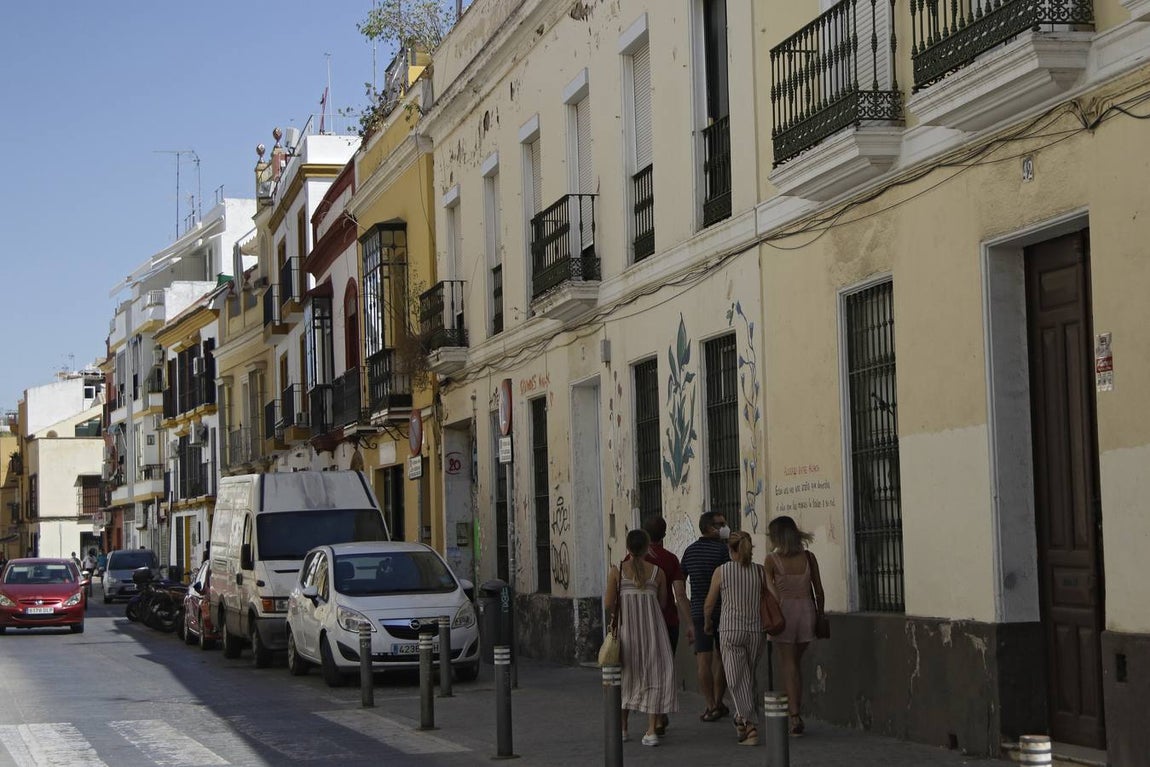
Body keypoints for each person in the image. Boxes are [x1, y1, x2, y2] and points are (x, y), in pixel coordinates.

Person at [604, 529, 677, 746]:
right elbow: (663, 604)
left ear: (627, 547)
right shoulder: (658, 573)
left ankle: (624, 728)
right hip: (655, 632)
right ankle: (651, 730)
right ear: (647, 548)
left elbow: (609, 603)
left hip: (629, 634)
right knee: (655, 676)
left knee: (627, 678)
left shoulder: (617, 571)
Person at [764, 515, 825, 736]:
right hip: (807, 611)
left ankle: (794, 715)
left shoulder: (771, 560)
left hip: (784, 613)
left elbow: (769, 591)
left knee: (788, 666)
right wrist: (819, 615)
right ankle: (795, 709)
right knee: (796, 665)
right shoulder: (809, 557)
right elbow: (818, 590)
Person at [704, 530, 765, 745]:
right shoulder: (760, 572)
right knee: (748, 678)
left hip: (731, 630)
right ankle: (740, 720)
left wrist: (707, 622)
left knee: (737, 680)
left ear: (731, 550)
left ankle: (750, 727)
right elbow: (772, 597)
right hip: (756, 631)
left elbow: (710, 603)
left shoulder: (722, 571)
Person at [632, 516, 691, 737]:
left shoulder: (632, 559)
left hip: (640, 625)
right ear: (664, 534)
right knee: (663, 669)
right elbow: (680, 595)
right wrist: (690, 624)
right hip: (667, 622)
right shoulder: (671, 560)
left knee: (648, 670)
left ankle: (656, 716)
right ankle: (658, 715)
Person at [679, 510, 731, 722]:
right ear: (710, 528)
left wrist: (689, 617)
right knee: (723, 658)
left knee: (703, 659)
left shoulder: (689, 552)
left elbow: (680, 587)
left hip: (699, 612)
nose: (725, 526)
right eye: (721, 524)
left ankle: (710, 705)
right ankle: (718, 701)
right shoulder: (723, 552)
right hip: (723, 611)